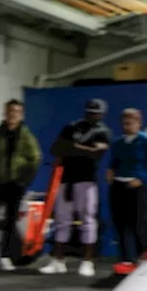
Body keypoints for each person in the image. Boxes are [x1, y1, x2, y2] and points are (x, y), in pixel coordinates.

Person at [40, 99, 112, 277]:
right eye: (89, 112)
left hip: (87, 180)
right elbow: (56, 149)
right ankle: (58, 260)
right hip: (67, 179)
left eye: (96, 113)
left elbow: (96, 153)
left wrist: (72, 148)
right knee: (61, 220)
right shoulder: (71, 127)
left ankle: (88, 261)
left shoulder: (103, 132)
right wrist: (82, 149)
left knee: (87, 220)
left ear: (102, 114)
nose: (92, 115)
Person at [0, 99, 41, 271]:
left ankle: (6, 255)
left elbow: (35, 158)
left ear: (21, 115)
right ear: (5, 112)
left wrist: (25, 179)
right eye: (10, 111)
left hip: (15, 184)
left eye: (17, 111)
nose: (13, 114)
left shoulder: (26, 135)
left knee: (10, 220)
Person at [107, 107, 147, 265]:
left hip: (137, 188)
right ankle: (125, 259)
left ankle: (142, 258)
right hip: (118, 186)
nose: (127, 126)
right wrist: (110, 171)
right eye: (124, 123)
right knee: (120, 224)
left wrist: (143, 179)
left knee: (139, 224)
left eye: (131, 122)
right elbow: (114, 162)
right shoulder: (118, 143)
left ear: (139, 123)